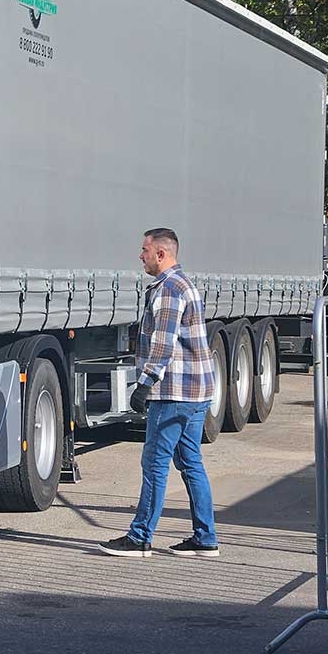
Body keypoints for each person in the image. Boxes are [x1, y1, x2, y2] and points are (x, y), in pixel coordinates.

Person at [100, 228, 221, 558]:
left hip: (173, 392)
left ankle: (140, 537)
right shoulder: (184, 284)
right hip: (196, 392)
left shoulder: (169, 289)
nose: (141, 256)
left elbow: (163, 343)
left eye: (145, 250)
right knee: (190, 462)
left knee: (155, 463)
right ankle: (205, 538)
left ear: (161, 254)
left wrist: (144, 383)